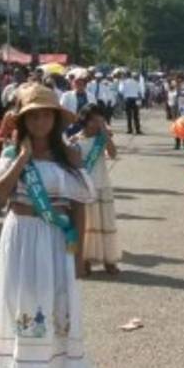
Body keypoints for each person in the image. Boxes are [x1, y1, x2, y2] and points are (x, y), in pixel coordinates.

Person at [0, 83, 98, 368]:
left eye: (46, 116)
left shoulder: (69, 157)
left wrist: (80, 255)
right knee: (23, 300)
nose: (40, 122)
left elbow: (79, 206)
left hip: (55, 237)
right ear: (23, 120)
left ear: (56, 119)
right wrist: (21, 159)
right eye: (33, 116)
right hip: (20, 234)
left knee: (55, 300)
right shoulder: (10, 154)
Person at [72, 105, 120, 275]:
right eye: (93, 119)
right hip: (85, 188)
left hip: (102, 185)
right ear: (85, 120)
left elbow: (113, 154)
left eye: (100, 119)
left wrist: (105, 134)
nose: (97, 123)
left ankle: (109, 260)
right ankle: (85, 259)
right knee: (87, 226)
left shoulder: (102, 138)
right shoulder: (75, 140)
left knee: (106, 223)